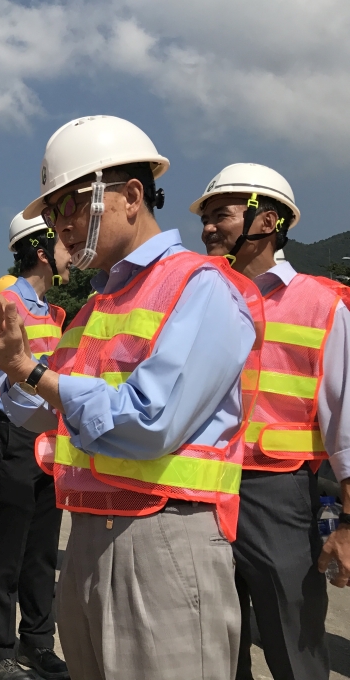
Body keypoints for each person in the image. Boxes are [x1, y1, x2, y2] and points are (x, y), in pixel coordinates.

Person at [0, 115, 262, 680]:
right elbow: (42, 413)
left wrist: (29, 373)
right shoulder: (94, 307)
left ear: (131, 196)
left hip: (163, 537)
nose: (60, 225)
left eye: (72, 205)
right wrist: (8, 364)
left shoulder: (200, 288)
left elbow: (150, 421)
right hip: (88, 534)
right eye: (54, 211)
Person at [191, 163, 350, 680]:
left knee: (293, 642)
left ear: (268, 220)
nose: (209, 228)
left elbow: (347, 424)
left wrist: (348, 524)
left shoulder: (322, 305)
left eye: (222, 216)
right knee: (213, 643)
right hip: (199, 488)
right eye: (206, 218)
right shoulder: (199, 296)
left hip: (280, 495)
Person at [0, 215, 71, 680]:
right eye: (66, 241)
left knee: (43, 548)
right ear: (44, 250)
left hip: (51, 438)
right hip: (14, 436)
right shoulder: (8, 302)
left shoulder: (52, 310)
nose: (75, 248)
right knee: (9, 546)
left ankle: (37, 641)